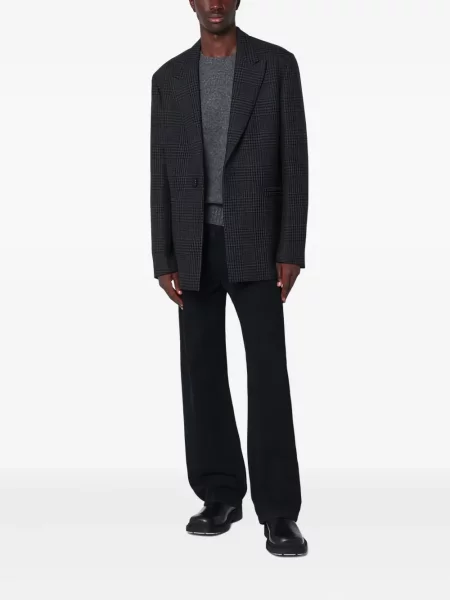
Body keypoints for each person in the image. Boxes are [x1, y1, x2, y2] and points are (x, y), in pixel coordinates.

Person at [150, 0, 309, 557]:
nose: (214, 2)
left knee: (267, 373)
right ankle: (219, 494)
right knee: (201, 372)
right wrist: (163, 254)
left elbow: (295, 160)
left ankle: (279, 511)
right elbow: (160, 169)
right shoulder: (168, 78)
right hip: (192, 242)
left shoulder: (276, 65)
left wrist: (291, 247)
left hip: (258, 242)